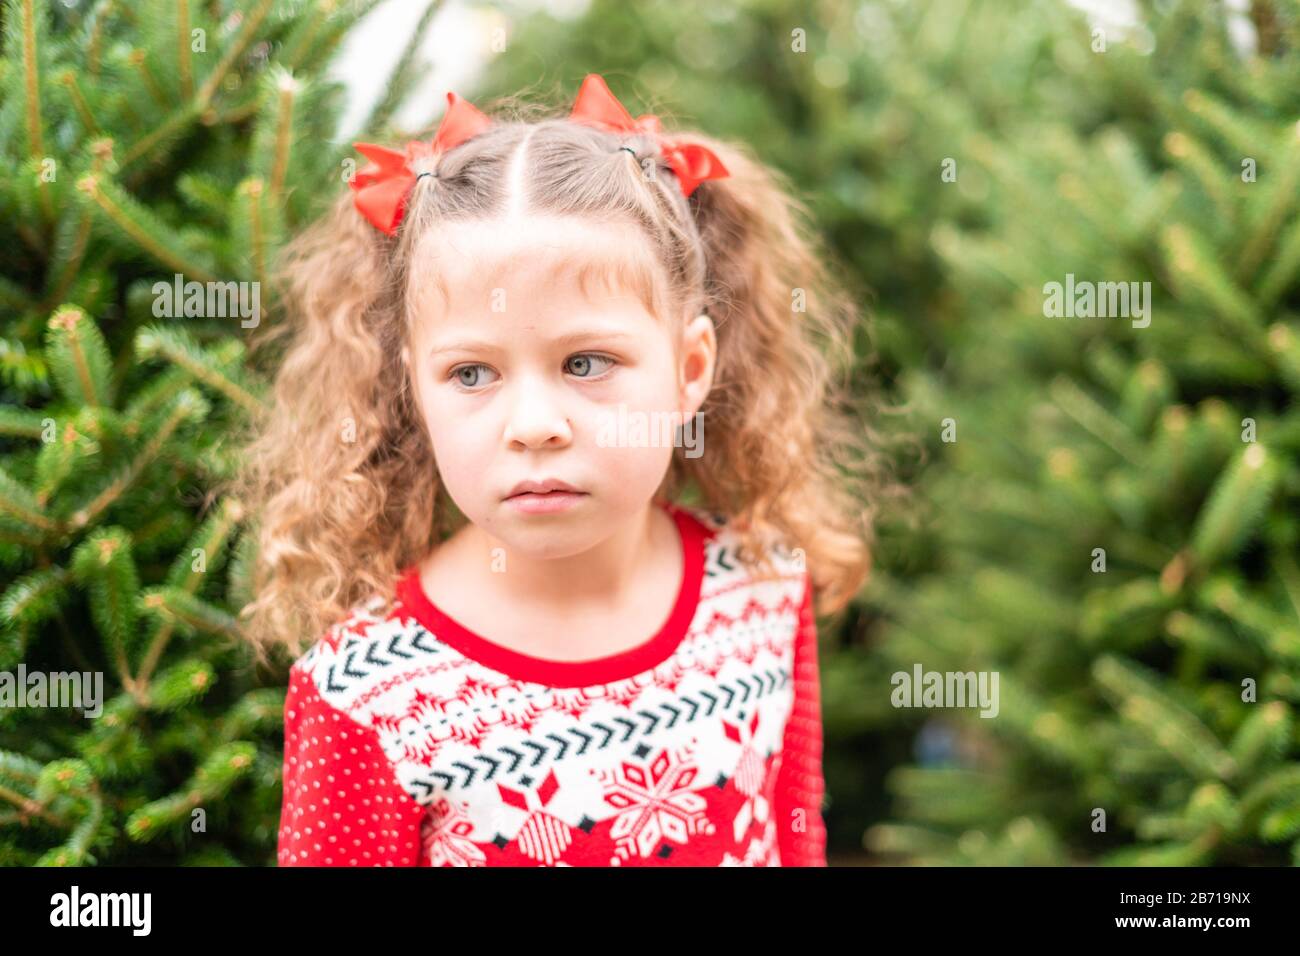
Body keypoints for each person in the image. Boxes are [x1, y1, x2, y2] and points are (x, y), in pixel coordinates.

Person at [232, 73, 877, 866]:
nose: (534, 426)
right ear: (412, 386)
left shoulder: (761, 591)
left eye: (586, 361)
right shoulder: (371, 697)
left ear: (689, 368)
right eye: (471, 374)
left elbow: (795, 836)